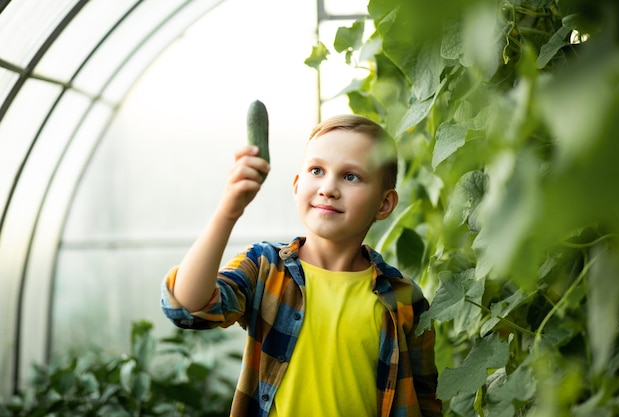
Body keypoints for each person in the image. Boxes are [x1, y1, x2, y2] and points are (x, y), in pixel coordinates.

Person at [160, 114, 442, 417]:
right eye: (317, 170)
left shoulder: (404, 297)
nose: (328, 188)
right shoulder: (264, 267)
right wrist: (229, 210)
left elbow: (425, 400)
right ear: (297, 185)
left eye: (351, 176)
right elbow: (187, 308)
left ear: (384, 204)